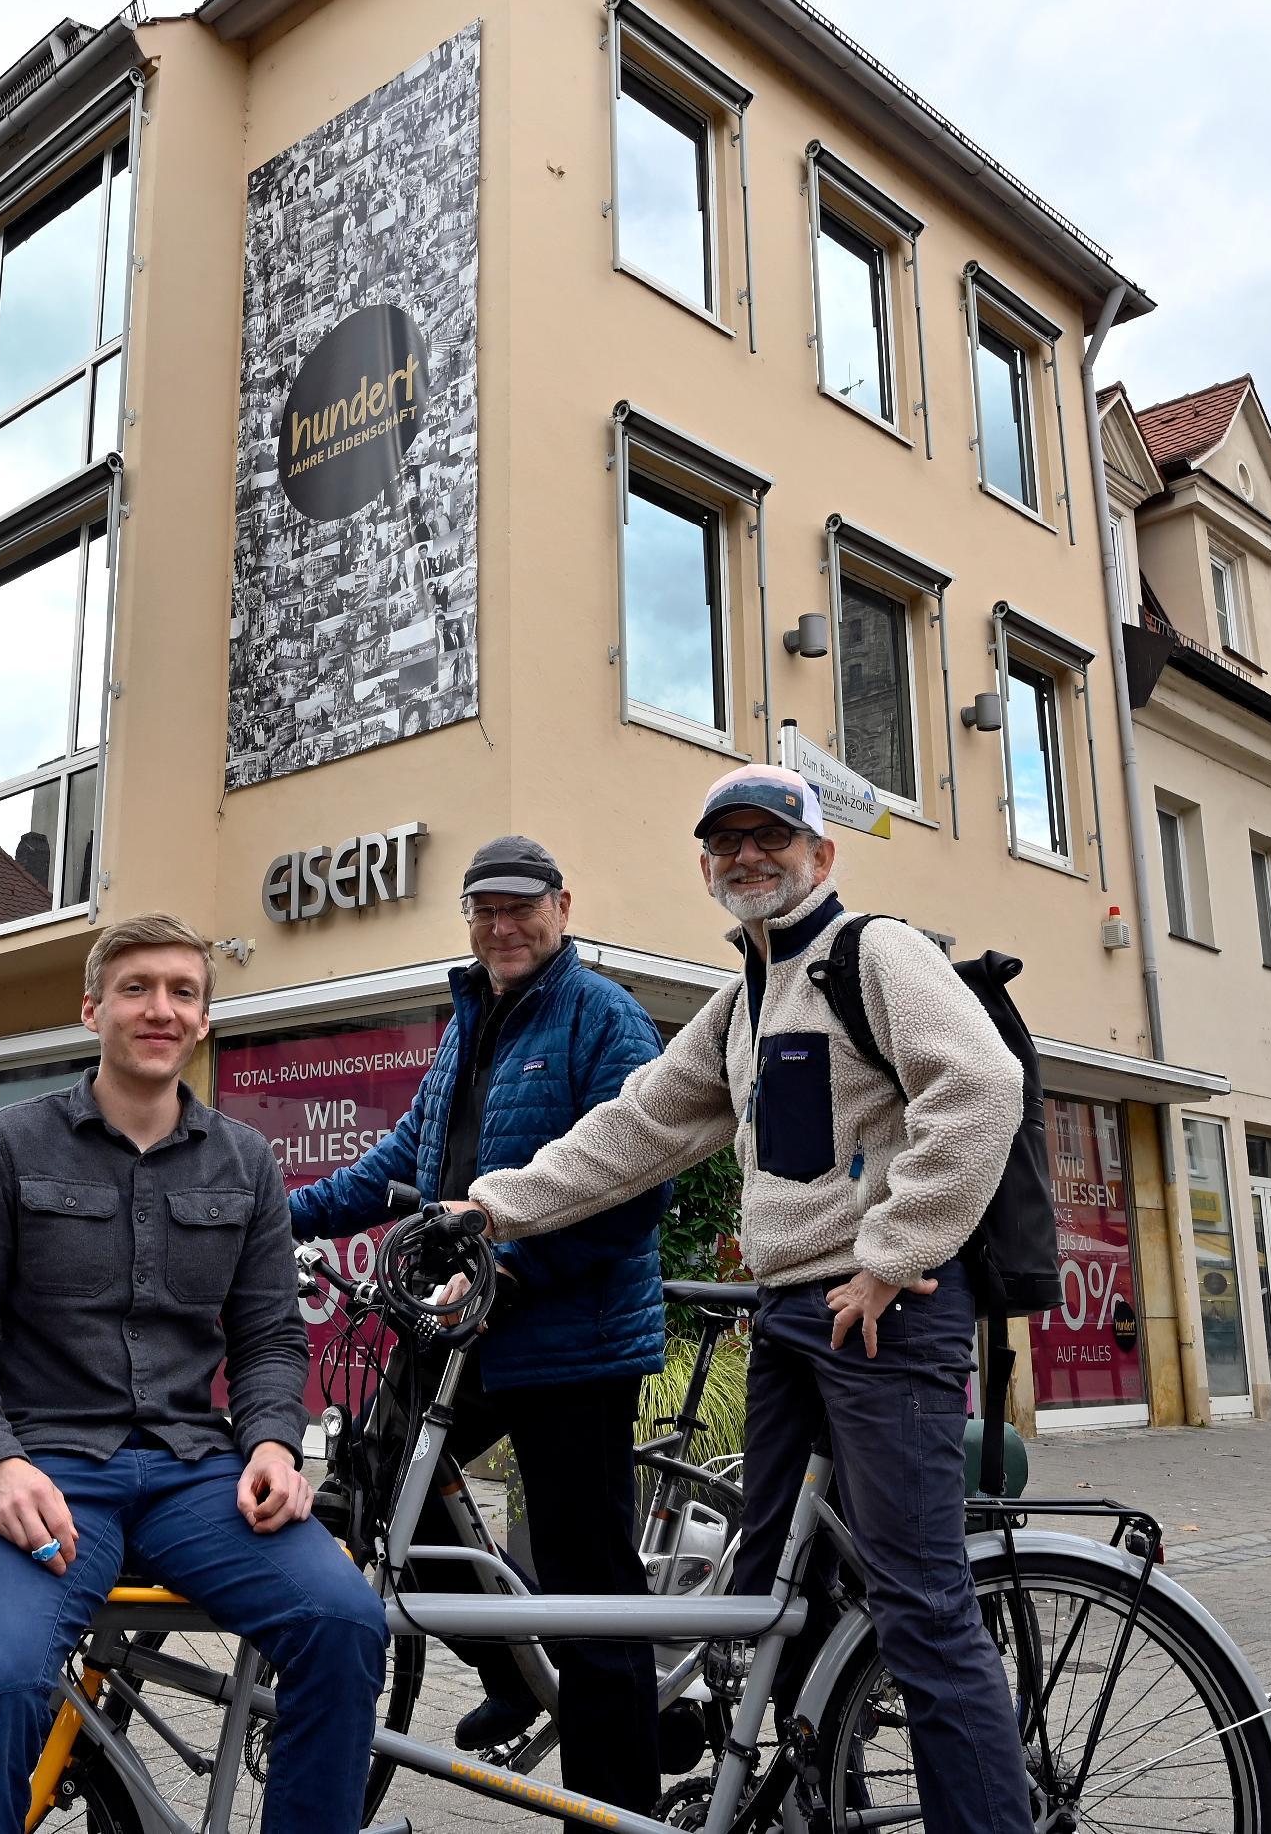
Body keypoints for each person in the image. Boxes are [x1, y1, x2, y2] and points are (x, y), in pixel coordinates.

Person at [452, 764, 1036, 1834]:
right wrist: (494, 1208)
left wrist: (898, 1249)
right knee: (774, 1590)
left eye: (772, 837)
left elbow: (982, 1086)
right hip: (791, 1320)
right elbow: (635, 1130)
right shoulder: (745, 1000)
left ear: (822, 854)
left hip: (881, 1314)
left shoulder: (875, 953)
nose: (748, 857)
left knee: (920, 1608)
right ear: (707, 865)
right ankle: (820, 1802)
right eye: (726, 843)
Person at [0, 913, 389, 1833]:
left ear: (204, 1019)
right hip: (45, 1473)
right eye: (136, 989)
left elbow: (269, 1340)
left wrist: (276, 1446)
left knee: (343, 1622)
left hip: (192, 1479)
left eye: (182, 991)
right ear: (94, 1008)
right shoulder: (7, 1147)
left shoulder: (246, 1162)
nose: (159, 1008)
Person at [291, 835, 669, 1806]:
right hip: (459, 1330)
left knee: (593, 1592)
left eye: (520, 905)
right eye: (483, 908)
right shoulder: (470, 1022)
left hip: (571, 1342)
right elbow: (400, 1161)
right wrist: (284, 1211)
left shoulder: (604, 1018)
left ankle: (614, 1810)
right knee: (375, 1498)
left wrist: (509, 1267)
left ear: (563, 905)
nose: (501, 925)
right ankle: (511, 1675)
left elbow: (632, 1194)